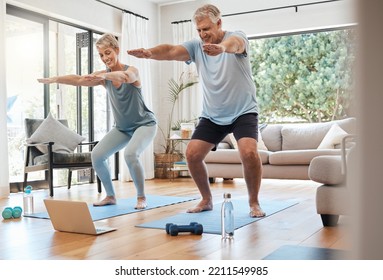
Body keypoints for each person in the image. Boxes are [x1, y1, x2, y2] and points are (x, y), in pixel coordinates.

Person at [128, 4, 265, 217]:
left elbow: (235, 44)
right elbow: (172, 51)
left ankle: (254, 202)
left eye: (206, 29)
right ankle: (206, 199)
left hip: (243, 111)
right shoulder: (196, 46)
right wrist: (149, 53)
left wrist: (222, 48)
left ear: (219, 23)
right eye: (199, 30)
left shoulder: (236, 37)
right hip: (213, 115)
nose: (202, 34)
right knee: (192, 154)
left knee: (248, 152)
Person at [38, 33, 157, 209]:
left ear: (116, 50)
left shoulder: (132, 70)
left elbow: (126, 77)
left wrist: (103, 76)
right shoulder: (103, 76)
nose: (105, 58)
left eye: (107, 53)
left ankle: (141, 197)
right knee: (97, 155)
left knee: (130, 154)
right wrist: (56, 79)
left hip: (144, 124)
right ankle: (110, 196)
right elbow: (79, 80)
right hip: (122, 128)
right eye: (101, 55)